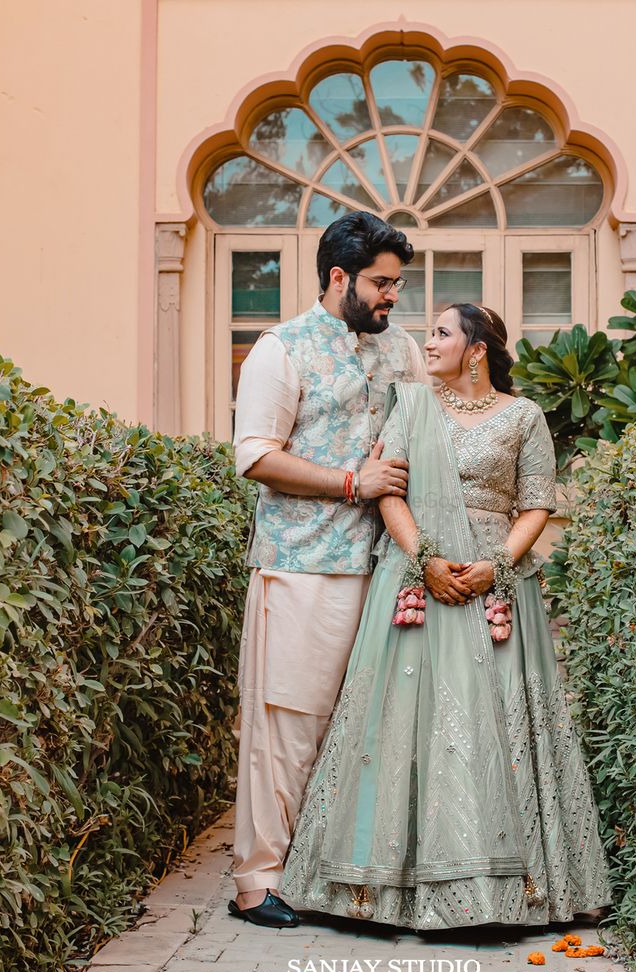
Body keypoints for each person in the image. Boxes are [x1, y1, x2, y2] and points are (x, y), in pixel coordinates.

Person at [280, 304, 611, 929]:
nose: (426, 343)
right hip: (415, 584)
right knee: (406, 722)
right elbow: (390, 492)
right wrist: (424, 558)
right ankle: (382, 891)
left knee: (498, 722)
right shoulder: (412, 406)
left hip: (494, 586)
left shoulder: (523, 416)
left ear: (477, 348)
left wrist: (496, 566)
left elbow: (535, 505)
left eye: (440, 333)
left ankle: (514, 892)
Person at [227, 212, 430, 929]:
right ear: (338, 277)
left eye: (396, 284)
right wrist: (353, 485)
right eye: (380, 283)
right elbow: (254, 455)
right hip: (303, 566)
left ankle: (333, 875)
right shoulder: (279, 350)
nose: (391, 297)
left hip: (386, 568)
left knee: (369, 726)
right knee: (290, 726)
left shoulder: (400, 350)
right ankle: (258, 883)